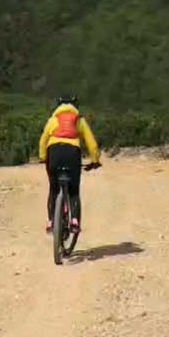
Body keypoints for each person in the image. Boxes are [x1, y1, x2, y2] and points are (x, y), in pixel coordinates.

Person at [38, 94, 101, 233]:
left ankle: (50, 222)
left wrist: (43, 157)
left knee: (54, 189)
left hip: (53, 153)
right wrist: (95, 160)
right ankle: (74, 221)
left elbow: (43, 140)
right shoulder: (79, 120)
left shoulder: (53, 119)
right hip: (72, 153)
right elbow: (91, 142)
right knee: (73, 190)